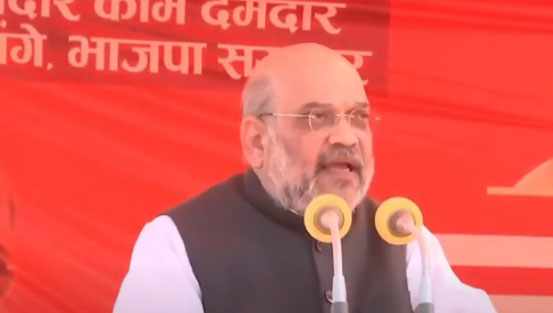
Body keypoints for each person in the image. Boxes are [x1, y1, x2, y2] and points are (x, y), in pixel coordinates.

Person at [113, 43, 497, 313]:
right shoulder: (178, 241)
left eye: (358, 117)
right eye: (319, 117)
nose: (347, 137)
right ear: (257, 141)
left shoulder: (403, 237)